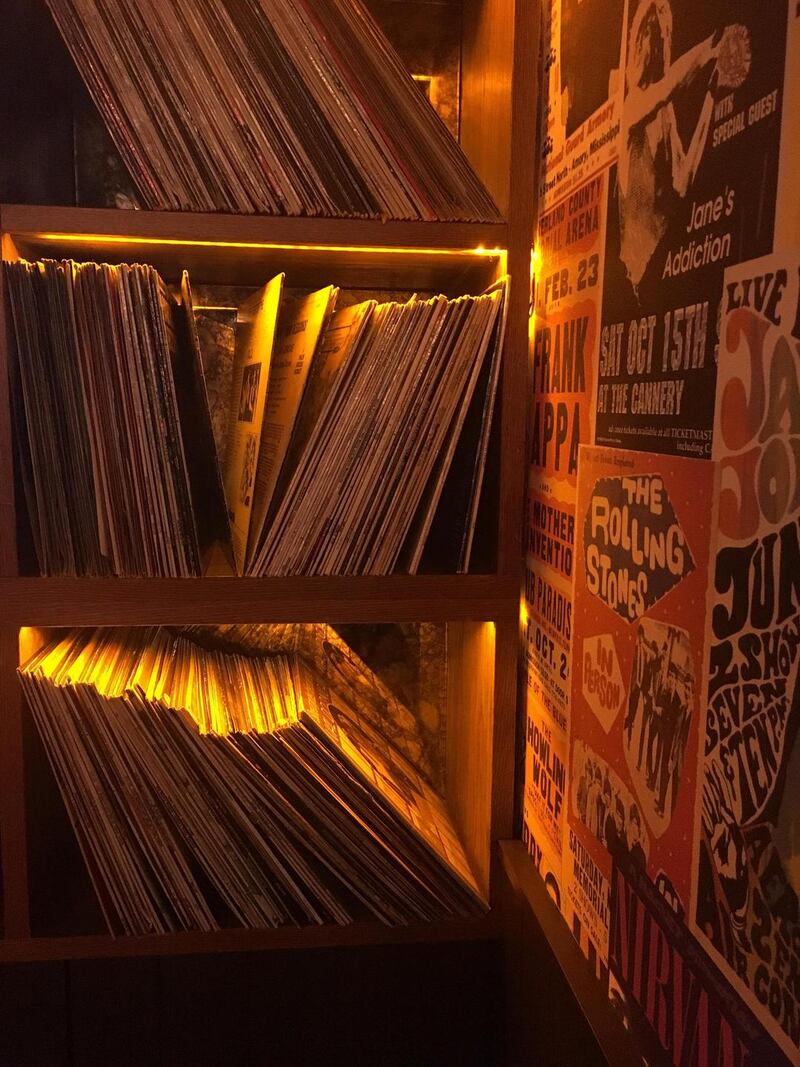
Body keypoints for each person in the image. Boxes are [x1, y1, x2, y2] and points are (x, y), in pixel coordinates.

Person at [617, 2, 742, 294]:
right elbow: (669, 87)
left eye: (663, 33)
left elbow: (684, 181)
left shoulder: (666, 117)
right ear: (638, 41)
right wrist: (711, 47)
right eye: (650, 32)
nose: (656, 42)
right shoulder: (631, 108)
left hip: (662, 275)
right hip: (637, 281)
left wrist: (712, 97)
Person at [624, 627, 647, 748]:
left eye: (641, 637)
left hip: (638, 689)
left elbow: (644, 671)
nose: (640, 639)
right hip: (632, 687)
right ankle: (628, 738)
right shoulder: (634, 650)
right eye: (639, 637)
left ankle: (626, 732)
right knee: (630, 715)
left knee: (632, 716)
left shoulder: (644, 653)